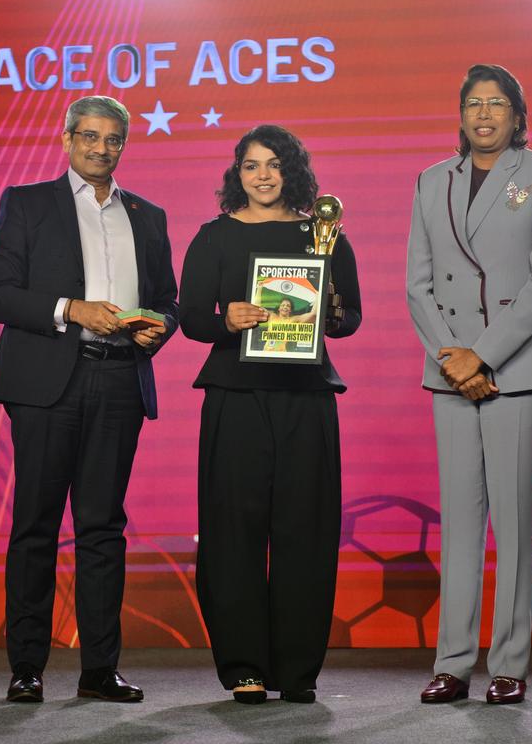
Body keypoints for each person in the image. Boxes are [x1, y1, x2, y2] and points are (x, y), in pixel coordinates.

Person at [0, 95, 178, 703]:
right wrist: (72, 310)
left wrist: (159, 326)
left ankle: (99, 671)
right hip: (46, 385)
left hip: (119, 381)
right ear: (66, 138)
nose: (101, 148)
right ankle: (27, 669)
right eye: (89, 137)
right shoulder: (27, 202)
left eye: (113, 139)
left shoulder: (147, 214)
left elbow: (168, 301)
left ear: (124, 144)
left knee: (103, 529)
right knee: (35, 526)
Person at [406, 64, 532, 705]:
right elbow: (417, 285)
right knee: (461, 523)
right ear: (460, 113)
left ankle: (508, 664)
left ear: (516, 114)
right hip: (451, 372)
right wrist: (454, 361)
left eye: (496, 103)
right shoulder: (429, 180)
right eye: (473, 103)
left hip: (519, 372)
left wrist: (482, 358)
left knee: (513, 519)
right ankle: (452, 662)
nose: (484, 114)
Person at [179, 124, 361, 704]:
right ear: (237, 174)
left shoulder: (324, 233)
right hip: (235, 396)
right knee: (233, 532)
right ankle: (243, 667)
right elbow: (191, 319)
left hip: (306, 398)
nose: (262, 175)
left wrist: (326, 293)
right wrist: (226, 320)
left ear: (293, 172)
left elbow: (347, 319)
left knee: (305, 532)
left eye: (274, 165)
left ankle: (298, 670)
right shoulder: (214, 237)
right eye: (251, 165)